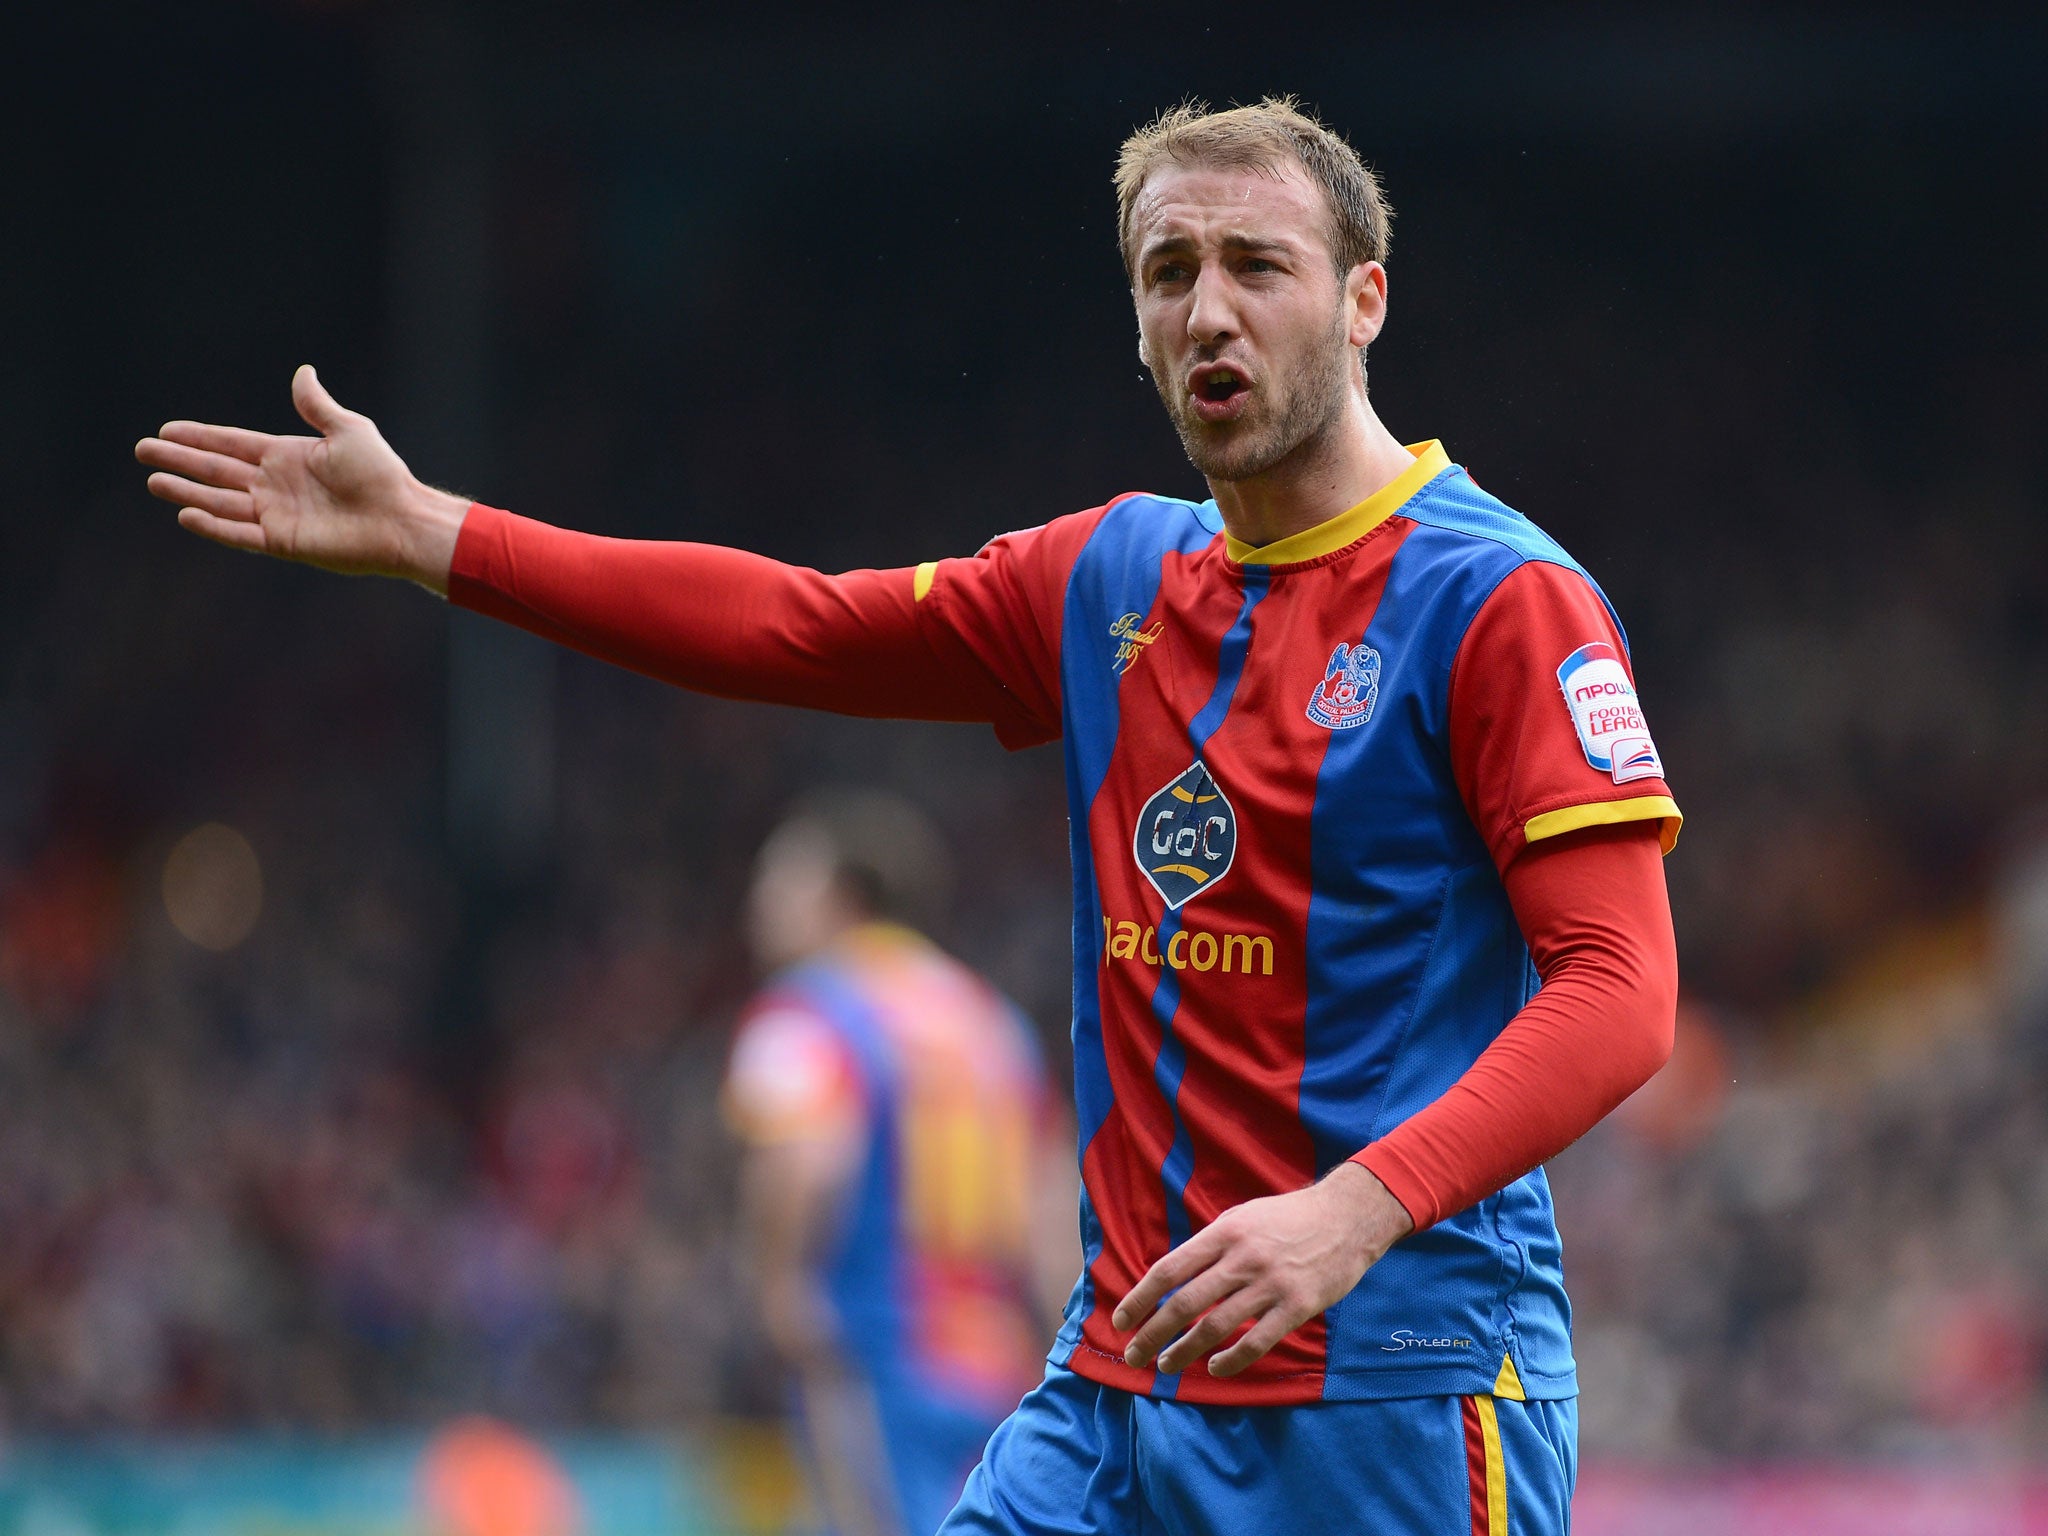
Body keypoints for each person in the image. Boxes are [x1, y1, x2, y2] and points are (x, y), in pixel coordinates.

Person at [137, 96, 1680, 1535]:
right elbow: (788, 624)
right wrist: (435, 535)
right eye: (1168, 271)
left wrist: (1351, 1213)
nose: (1207, 311)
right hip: (1122, 1385)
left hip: (1394, 1384)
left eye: (1257, 267)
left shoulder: (1499, 599)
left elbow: (1621, 993)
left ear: (1364, 300)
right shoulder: (1111, 578)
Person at [724, 791, 1072, 1536]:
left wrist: (779, 1284)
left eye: (781, 880)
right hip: (992, 1348)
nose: (759, 902)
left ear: (842, 895)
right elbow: (1050, 1197)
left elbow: (807, 1157)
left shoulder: (809, 1006)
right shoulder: (990, 1017)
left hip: (876, 1347)